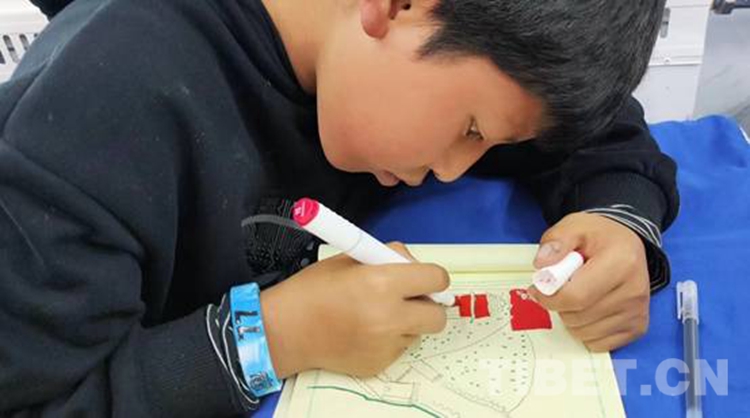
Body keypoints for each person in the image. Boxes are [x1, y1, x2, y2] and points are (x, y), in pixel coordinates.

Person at [1, 0, 677, 416]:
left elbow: (596, 132)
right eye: (471, 130)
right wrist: (274, 338)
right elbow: (39, 400)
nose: (453, 169)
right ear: (398, 5)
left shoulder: (435, 47)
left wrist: (619, 221)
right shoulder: (96, 121)